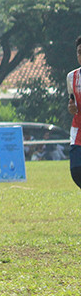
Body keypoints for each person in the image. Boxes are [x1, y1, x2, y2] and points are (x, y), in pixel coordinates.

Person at [67, 35, 81, 190]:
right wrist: (71, 108)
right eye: (79, 52)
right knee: (76, 171)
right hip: (78, 131)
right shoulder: (72, 77)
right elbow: (71, 103)